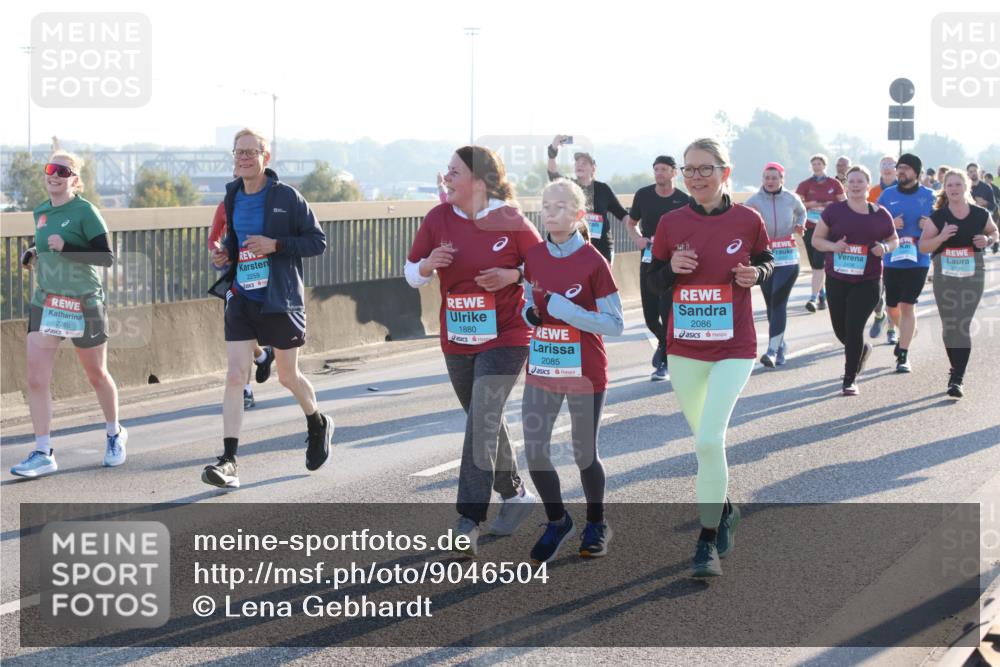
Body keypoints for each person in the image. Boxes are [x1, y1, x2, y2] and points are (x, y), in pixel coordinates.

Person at [645, 138, 774, 578]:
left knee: (707, 440)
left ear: (725, 172)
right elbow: (652, 281)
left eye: (705, 169)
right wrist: (671, 269)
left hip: (735, 346)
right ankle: (727, 510)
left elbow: (766, 260)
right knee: (705, 442)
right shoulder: (670, 222)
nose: (696, 177)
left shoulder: (748, 219)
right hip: (685, 347)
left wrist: (756, 273)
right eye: (689, 170)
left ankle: (705, 543)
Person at [405, 145, 542, 555]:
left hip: (507, 334)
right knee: (483, 419)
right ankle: (515, 493)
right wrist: (429, 263)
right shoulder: (438, 218)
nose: (446, 178)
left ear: (479, 182)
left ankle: (468, 520)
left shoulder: (510, 219)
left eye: (454, 172)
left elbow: (544, 266)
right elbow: (412, 273)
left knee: (483, 415)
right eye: (447, 171)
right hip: (458, 336)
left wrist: (513, 273)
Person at [203, 128, 332, 489]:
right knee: (234, 376)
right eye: (238, 152)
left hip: (279, 298)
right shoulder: (232, 196)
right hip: (242, 296)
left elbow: (317, 242)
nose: (243, 158)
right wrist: (224, 255)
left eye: (251, 152)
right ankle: (229, 461)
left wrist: (276, 244)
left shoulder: (287, 197)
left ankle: (317, 422)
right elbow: (233, 243)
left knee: (288, 376)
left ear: (265, 158)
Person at [520, 178, 624, 563]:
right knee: (534, 451)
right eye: (546, 206)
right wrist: (529, 313)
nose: (551, 213)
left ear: (579, 214)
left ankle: (596, 523)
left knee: (583, 454)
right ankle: (557, 519)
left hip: (585, 369)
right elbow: (528, 303)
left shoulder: (594, 261)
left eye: (561, 206)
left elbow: (615, 323)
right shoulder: (532, 256)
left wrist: (569, 312)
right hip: (544, 365)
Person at [11, 151, 128, 478]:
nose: (55, 175)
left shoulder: (86, 211)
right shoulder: (41, 211)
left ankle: (114, 433)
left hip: (83, 302)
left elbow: (106, 258)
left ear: (75, 179)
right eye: (51, 169)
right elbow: (49, 243)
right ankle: (43, 450)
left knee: (96, 375)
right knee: (36, 378)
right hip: (46, 301)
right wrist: (35, 252)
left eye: (63, 171)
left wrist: (68, 249)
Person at [810, 166, 897, 395]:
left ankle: (849, 379)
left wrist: (885, 248)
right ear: (846, 185)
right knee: (842, 331)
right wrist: (834, 246)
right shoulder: (834, 211)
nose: (856, 185)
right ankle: (862, 350)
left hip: (868, 280)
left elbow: (893, 239)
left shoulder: (880, 213)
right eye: (852, 181)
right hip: (838, 278)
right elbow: (817, 240)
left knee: (854, 326)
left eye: (860, 181)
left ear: (868, 185)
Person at [919, 169, 999, 398]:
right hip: (945, 274)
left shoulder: (980, 214)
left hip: (973, 273)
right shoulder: (938, 217)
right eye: (950, 185)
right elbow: (923, 247)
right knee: (949, 326)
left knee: (961, 324)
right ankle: (956, 367)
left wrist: (988, 239)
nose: (954, 189)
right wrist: (942, 237)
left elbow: (994, 232)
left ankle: (957, 378)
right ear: (945, 189)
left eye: (958, 185)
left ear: (967, 187)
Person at [622, 155, 691, 380]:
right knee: (651, 316)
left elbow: (694, 229)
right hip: (649, 259)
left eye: (663, 169)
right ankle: (665, 345)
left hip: (672, 264)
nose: (659, 173)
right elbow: (630, 223)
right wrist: (638, 239)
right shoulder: (643, 195)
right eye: (656, 170)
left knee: (666, 311)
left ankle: (664, 361)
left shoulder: (684, 200)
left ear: (674, 173)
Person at [208, 198, 276, 409]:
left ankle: (262, 355)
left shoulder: (270, 201)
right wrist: (218, 252)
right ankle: (247, 388)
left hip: (264, 279)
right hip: (236, 282)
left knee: (249, 335)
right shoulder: (226, 205)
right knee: (241, 337)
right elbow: (214, 238)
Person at [878, 153, 935, 373]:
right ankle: (905, 333)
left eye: (906, 168)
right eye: (899, 167)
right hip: (892, 259)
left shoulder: (930, 196)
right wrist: (891, 223)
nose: (901, 171)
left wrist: (930, 224)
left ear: (917, 173)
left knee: (907, 304)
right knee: (892, 307)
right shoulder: (887, 195)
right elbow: (874, 225)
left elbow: (942, 225)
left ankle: (903, 355)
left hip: (919, 259)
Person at [745, 162, 806, 367]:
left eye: (774, 178)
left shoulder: (791, 198)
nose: (770, 181)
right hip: (765, 258)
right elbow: (743, 221)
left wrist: (800, 224)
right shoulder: (753, 200)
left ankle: (772, 351)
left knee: (778, 300)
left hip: (788, 256)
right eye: (767, 178)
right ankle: (780, 345)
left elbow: (802, 212)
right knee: (771, 303)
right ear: (762, 180)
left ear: (782, 179)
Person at [547, 135, 628, 265]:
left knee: (602, 284)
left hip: (602, 248)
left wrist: (637, 233)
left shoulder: (603, 189)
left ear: (593, 168)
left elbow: (622, 215)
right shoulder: (569, 186)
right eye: (577, 163)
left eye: (584, 163)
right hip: (575, 247)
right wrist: (553, 150)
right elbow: (552, 174)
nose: (580, 165)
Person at [797, 154, 846, 312]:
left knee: (819, 261)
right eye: (814, 164)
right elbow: (796, 204)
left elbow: (845, 202)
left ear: (825, 165)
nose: (816, 166)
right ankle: (822, 294)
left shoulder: (834, 183)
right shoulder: (805, 184)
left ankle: (813, 297)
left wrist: (830, 206)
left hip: (828, 228)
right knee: (814, 263)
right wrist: (809, 204)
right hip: (810, 226)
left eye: (819, 163)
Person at [867, 156, 898, 342]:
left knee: (892, 291)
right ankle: (879, 315)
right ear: (879, 169)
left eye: (890, 165)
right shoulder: (873, 192)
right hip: (875, 246)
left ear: (896, 169)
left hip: (896, 246)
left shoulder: (901, 190)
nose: (887, 168)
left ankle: (891, 330)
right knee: (875, 292)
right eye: (883, 165)